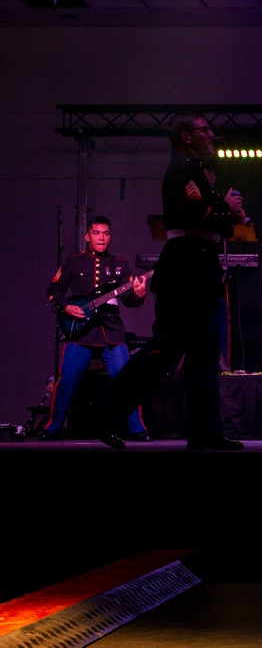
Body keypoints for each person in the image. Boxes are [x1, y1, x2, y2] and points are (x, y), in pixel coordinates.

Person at [90, 111, 246, 451]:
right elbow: (188, 215)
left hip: (200, 265)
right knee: (163, 349)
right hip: (187, 265)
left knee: (204, 354)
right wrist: (226, 207)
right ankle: (102, 413)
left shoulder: (194, 170)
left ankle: (205, 433)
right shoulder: (182, 169)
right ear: (187, 137)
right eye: (204, 130)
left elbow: (209, 217)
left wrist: (226, 210)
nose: (211, 135)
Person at [40, 216, 150, 446]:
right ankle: (52, 428)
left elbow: (129, 298)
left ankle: (137, 429)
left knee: (126, 379)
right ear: (87, 236)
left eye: (106, 233)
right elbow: (54, 289)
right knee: (67, 379)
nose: (102, 237)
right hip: (81, 331)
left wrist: (139, 294)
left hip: (111, 329)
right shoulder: (74, 261)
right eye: (97, 233)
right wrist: (67, 307)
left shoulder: (120, 264)